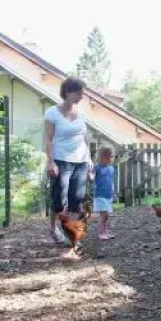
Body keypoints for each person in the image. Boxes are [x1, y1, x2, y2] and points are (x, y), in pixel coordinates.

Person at [44, 77, 92, 253]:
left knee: (76, 200)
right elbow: (48, 139)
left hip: (80, 161)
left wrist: (89, 160)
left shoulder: (81, 113)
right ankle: (52, 228)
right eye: (79, 92)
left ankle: (73, 237)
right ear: (68, 92)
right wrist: (50, 161)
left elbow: (84, 138)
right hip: (61, 161)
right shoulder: (52, 113)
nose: (81, 96)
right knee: (58, 200)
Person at [92, 146, 116, 240]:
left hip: (108, 195)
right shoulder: (97, 168)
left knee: (107, 216)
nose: (110, 159)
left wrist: (113, 192)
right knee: (104, 214)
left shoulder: (111, 169)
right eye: (107, 157)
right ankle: (101, 233)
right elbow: (91, 177)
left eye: (111, 157)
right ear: (101, 157)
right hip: (100, 195)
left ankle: (105, 231)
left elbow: (111, 181)